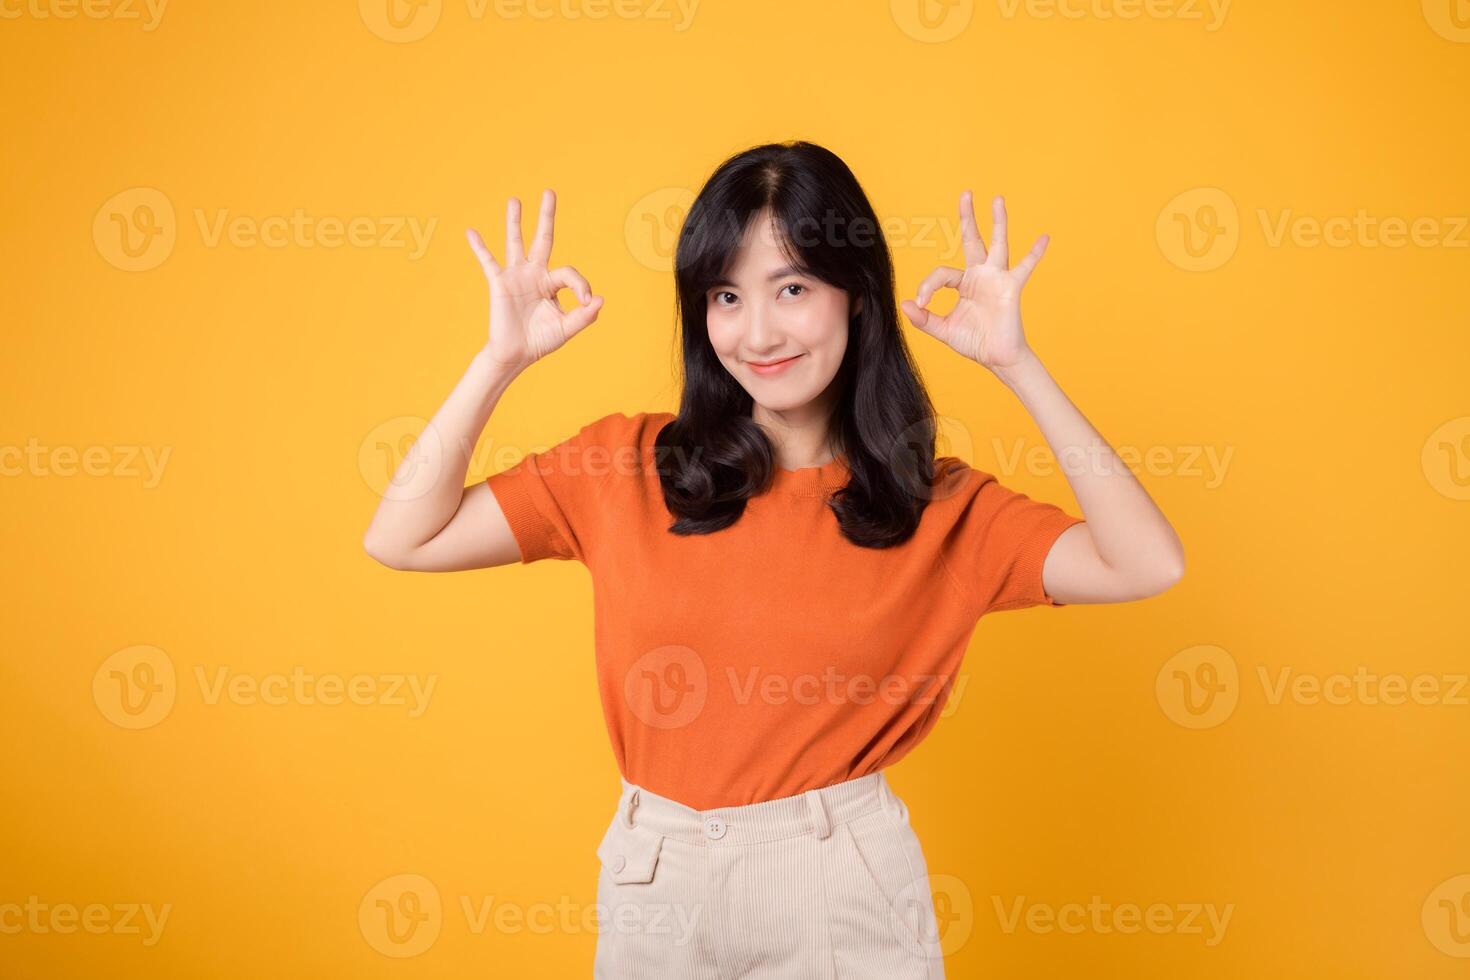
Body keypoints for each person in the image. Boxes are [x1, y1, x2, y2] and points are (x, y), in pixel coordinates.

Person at [363, 140, 1185, 979]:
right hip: (657, 879)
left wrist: (1019, 365)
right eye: (726, 295)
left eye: (791, 288)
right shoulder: (624, 467)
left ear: (857, 296)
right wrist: (498, 362)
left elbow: (1144, 563)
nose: (757, 333)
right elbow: (403, 537)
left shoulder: (939, 510)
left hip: (836, 888)